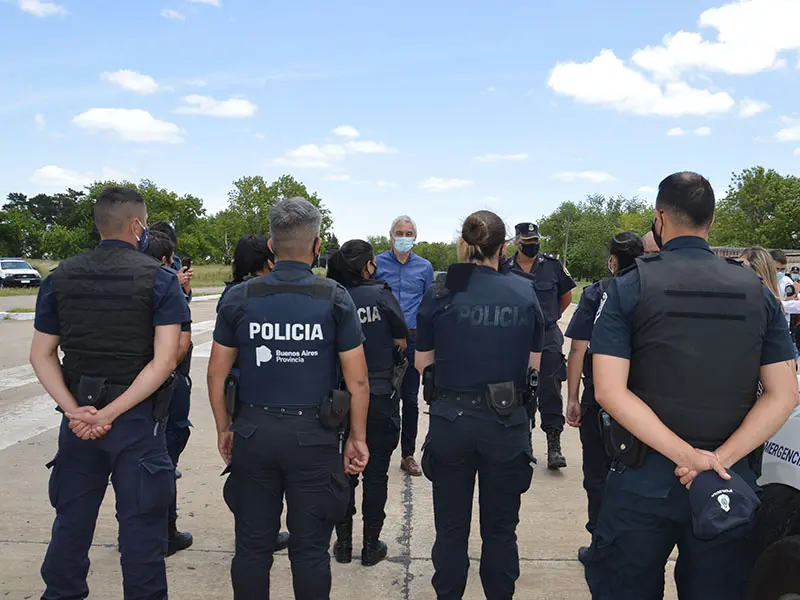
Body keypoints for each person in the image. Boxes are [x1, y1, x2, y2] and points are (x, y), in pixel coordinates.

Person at [584, 172, 798, 599]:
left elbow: (609, 390)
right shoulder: (757, 294)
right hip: (727, 480)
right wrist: (716, 460)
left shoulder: (629, 286)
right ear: (711, 222)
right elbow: (784, 393)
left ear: (659, 219)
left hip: (644, 477)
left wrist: (688, 457)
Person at [208, 197, 371, 600]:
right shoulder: (333, 297)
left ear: (271, 245)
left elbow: (216, 373)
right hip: (313, 438)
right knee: (310, 549)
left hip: (254, 433)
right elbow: (359, 381)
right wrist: (358, 437)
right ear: (317, 246)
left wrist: (224, 428)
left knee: (251, 546)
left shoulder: (241, 297)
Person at [30, 186, 189, 600]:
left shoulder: (59, 276)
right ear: (137, 225)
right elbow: (165, 360)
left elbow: (42, 354)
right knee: (141, 534)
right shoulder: (160, 279)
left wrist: (76, 412)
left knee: (70, 525)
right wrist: (110, 414)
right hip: (135, 422)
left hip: (79, 422)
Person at [416, 210, 545, 599]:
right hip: (505, 423)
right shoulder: (522, 290)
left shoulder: (442, 288)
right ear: (503, 248)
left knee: (451, 530)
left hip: (451, 421)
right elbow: (534, 365)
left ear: (464, 243)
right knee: (501, 530)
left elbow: (423, 362)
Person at [327, 240, 409, 566]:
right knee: (376, 474)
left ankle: (344, 544)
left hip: (339, 399)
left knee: (343, 473)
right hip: (379, 395)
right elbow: (402, 341)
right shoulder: (381, 295)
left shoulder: (331, 297)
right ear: (367, 266)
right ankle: (370, 545)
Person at [564, 232, 644, 563]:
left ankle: (600, 543)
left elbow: (579, 347)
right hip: (642, 399)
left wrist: (572, 396)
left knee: (597, 473)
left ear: (613, 260)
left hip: (600, 397)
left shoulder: (597, 292)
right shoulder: (651, 291)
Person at [217, 234, 290, 552]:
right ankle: (267, 532)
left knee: (245, 467)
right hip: (265, 392)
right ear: (267, 261)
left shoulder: (230, 295)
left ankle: (249, 531)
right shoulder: (266, 294)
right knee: (270, 469)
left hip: (235, 394)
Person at [505, 222, 575, 469]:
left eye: (535, 240)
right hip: (517, 338)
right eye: (527, 242)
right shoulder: (505, 268)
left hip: (547, 336)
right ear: (517, 243)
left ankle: (554, 445)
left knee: (550, 388)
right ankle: (524, 442)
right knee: (520, 390)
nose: (532, 245)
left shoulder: (552, 266)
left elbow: (565, 297)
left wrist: (550, 317)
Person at [143, 231, 194, 555]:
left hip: (131, 385)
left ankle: (136, 531)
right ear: (165, 260)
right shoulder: (163, 286)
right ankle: (165, 531)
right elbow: (180, 343)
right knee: (164, 460)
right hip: (166, 386)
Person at [375, 215, 434, 476]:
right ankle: (379, 450)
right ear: (390, 235)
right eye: (399, 232)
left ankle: (408, 453)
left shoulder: (424, 267)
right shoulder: (376, 263)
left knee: (410, 399)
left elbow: (430, 304)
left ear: (415, 237)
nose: (403, 237)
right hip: (383, 338)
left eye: (408, 233)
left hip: (412, 338)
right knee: (384, 397)